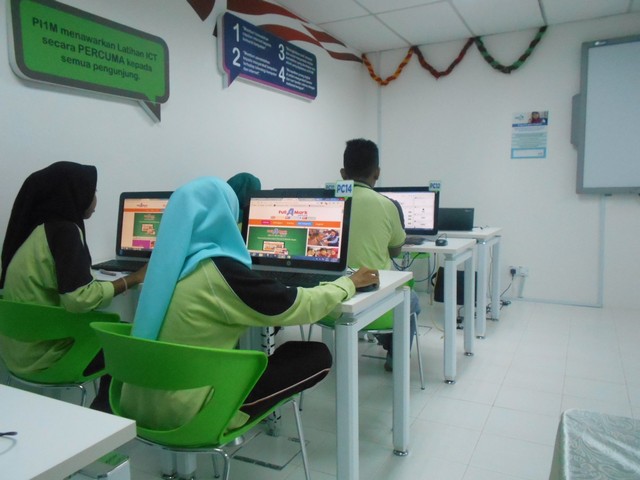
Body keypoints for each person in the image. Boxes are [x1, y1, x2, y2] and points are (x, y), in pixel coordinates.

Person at [121, 176, 378, 431]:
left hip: (137, 402)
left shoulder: (164, 269)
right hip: (189, 413)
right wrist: (348, 284)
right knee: (315, 355)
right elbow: (298, 306)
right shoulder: (220, 272)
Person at [0, 161, 147, 411]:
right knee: (126, 339)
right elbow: (79, 299)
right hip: (48, 358)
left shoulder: (34, 232)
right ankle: (106, 417)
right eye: (93, 191)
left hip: (16, 355)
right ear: (75, 193)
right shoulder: (64, 232)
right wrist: (132, 279)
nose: (95, 199)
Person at [340, 138, 421, 371]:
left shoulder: (328, 201)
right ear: (377, 172)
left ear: (343, 173)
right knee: (412, 301)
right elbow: (396, 249)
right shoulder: (388, 205)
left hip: (333, 296)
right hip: (372, 294)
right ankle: (396, 357)